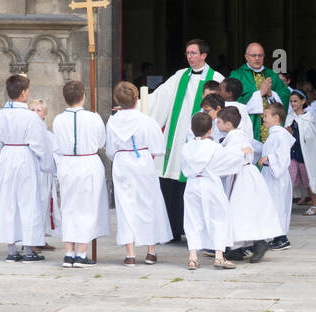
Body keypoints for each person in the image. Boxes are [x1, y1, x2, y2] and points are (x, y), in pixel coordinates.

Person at [146, 38, 223, 239]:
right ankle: (172, 229)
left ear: (204, 55)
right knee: (171, 181)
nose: (189, 57)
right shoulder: (180, 76)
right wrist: (133, 107)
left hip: (202, 138)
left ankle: (196, 231)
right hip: (177, 134)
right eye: (188, 53)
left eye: (194, 53)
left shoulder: (217, 78)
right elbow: (158, 98)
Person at [0, 73, 53, 262]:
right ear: (24, 93)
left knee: (7, 201)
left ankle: (12, 249)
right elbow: (40, 144)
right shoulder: (31, 118)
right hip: (25, 157)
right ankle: (29, 249)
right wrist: (48, 165)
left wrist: (5, 148)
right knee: (28, 200)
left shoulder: (1, 115)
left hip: (7, 156)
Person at [105, 81, 172, 264]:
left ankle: (130, 253)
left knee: (125, 205)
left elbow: (110, 149)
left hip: (122, 163)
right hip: (142, 161)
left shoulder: (113, 121)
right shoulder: (146, 120)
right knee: (148, 203)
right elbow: (159, 148)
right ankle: (151, 251)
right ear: (136, 99)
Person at [51, 80, 109, 268]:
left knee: (68, 207)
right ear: (83, 97)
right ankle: (81, 253)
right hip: (88, 163)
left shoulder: (58, 119)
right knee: (87, 208)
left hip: (67, 164)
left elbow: (57, 144)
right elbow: (101, 142)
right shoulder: (94, 118)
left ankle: (69, 253)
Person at [181, 111, 247, 270]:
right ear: (210, 130)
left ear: (191, 128)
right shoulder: (214, 147)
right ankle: (219, 256)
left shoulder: (186, 147)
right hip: (210, 184)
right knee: (219, 217)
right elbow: (228, 160)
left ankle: (192, 257)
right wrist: (241, 153)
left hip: (192, 184)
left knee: (192, 219)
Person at [217, 106, 280, 263]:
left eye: (219, 121)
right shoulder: (233, 136)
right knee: (238, 212)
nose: (216, 123)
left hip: (243, 177)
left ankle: (259, 243)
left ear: (228, 124)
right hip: (240, 176)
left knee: (244, 211)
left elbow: (233, 157)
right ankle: (236, 248)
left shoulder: (236, 137)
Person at [230, 42, 290, 143]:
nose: (257, 58)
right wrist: (259, 93)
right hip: (249, 125)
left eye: (260, 55)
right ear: (246, 57)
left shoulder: (272, 74)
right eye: (253, 55)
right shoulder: (237, 75)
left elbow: (285, 94)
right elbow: (232, 100)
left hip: (271, 127)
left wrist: (271, 94)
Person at [259, 102, 293, 248]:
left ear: (276, 117)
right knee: (273, 205)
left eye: (266, 116)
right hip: (271, 175)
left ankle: (282, 238)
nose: (264, 119)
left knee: (277, 205)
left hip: (276, 177)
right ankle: (276, 236)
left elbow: (283, 156)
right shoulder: (274, 134)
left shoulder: (280, 135)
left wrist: (268, 158)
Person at [28, 97, 60, 249]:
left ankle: (40, 238)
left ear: (44, 114)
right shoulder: (26, 132)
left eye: (38, 110)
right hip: (31, 174)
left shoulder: (49, 135)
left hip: (45, 174)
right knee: (33, 206)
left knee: (45, 206)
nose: (35, 113)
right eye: (32, 110)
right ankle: (30, 240)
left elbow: (56, 152)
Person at [220, 77, 261, 146]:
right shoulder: (243, 108)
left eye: (220, 89)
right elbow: (248, 131)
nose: (217, 91)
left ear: (229, 94)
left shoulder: (221, 107)